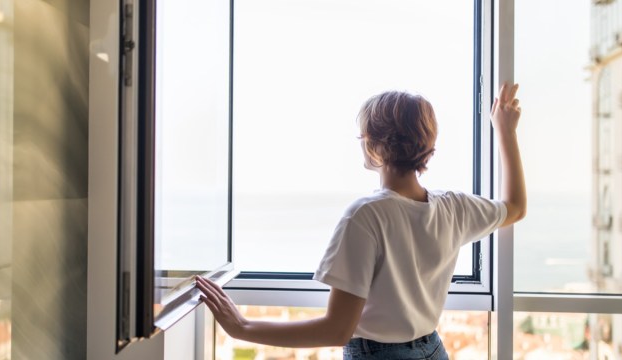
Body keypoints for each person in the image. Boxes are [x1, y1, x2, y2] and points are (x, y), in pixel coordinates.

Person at [195, 82, 525, 359]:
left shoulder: (366, 215)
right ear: (427, 145)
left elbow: (337, 329)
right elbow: (515, 206)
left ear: (372, 144)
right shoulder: (453, 208)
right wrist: (505, 131)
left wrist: (243, 327)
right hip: (433, 350)